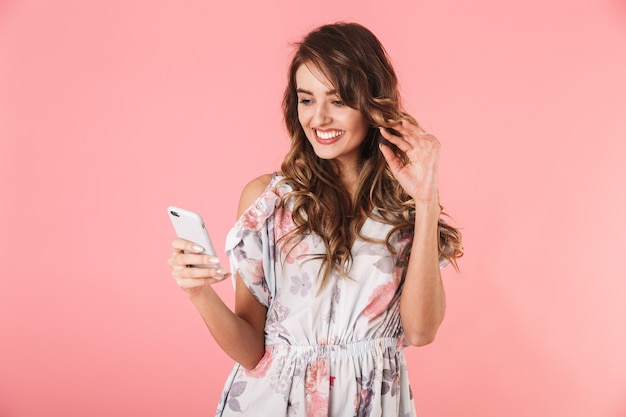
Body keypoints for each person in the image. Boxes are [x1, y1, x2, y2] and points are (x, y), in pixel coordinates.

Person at [168, 22, 463, 417]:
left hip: (371, 404)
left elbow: (422, 332)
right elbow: (252, 350)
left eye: (338, 101)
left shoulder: (406, 207)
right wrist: (199, 294)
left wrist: (427, 202)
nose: (319, 119)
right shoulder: (268, 202)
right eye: (306, 100)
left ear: (371, 103)